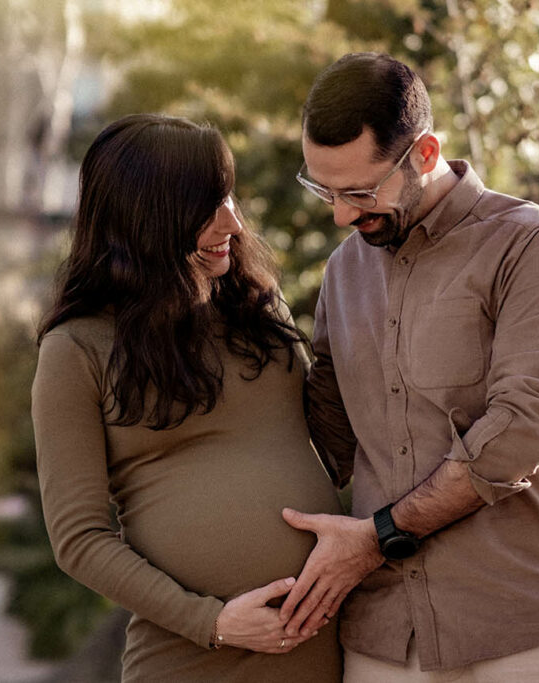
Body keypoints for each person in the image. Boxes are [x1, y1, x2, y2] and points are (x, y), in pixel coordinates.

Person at [278, 53, 539, 681]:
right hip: (383, 646)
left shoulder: (531, 244)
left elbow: (525, 427)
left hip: (527, 633)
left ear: (425, 154)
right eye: (325, 190)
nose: (341, 216)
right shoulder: (343, 273)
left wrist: (376, 538)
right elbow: (323, 443)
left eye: (360, 192)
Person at [31, 113, 343, 682]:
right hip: (194, 659)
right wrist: (214, 621)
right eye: (207, 204)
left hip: (328, 644)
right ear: (147, 219)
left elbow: (336, 447)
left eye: (229, 195)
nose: (234, 222)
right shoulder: (75, 348)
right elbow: (78, 538)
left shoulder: (259, 310)